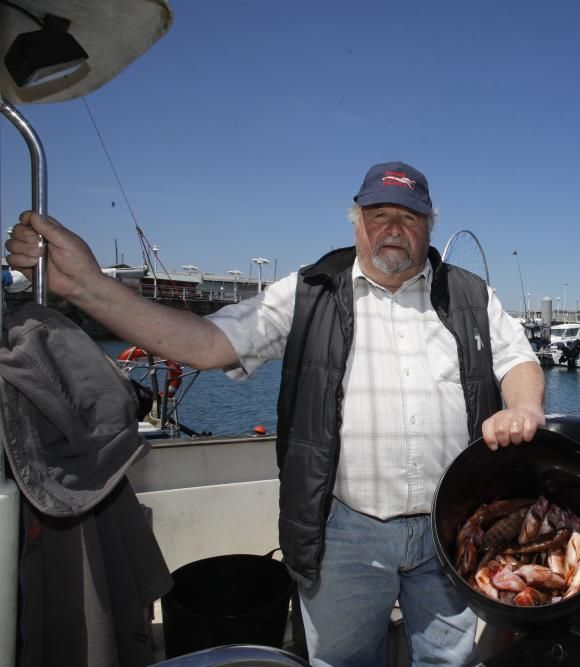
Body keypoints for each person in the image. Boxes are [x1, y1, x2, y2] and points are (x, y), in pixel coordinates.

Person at [6, 161, 545, 666]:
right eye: (379, 215)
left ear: (429, 227)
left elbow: (518, 359)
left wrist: (523, 406)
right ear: (356, 222)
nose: (393, 229)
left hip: (454, 527)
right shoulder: (308, 292)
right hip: (344, 531)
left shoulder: (473, 296)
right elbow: (206, 343)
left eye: (409, 217)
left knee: (449, 661)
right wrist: (86, 285)